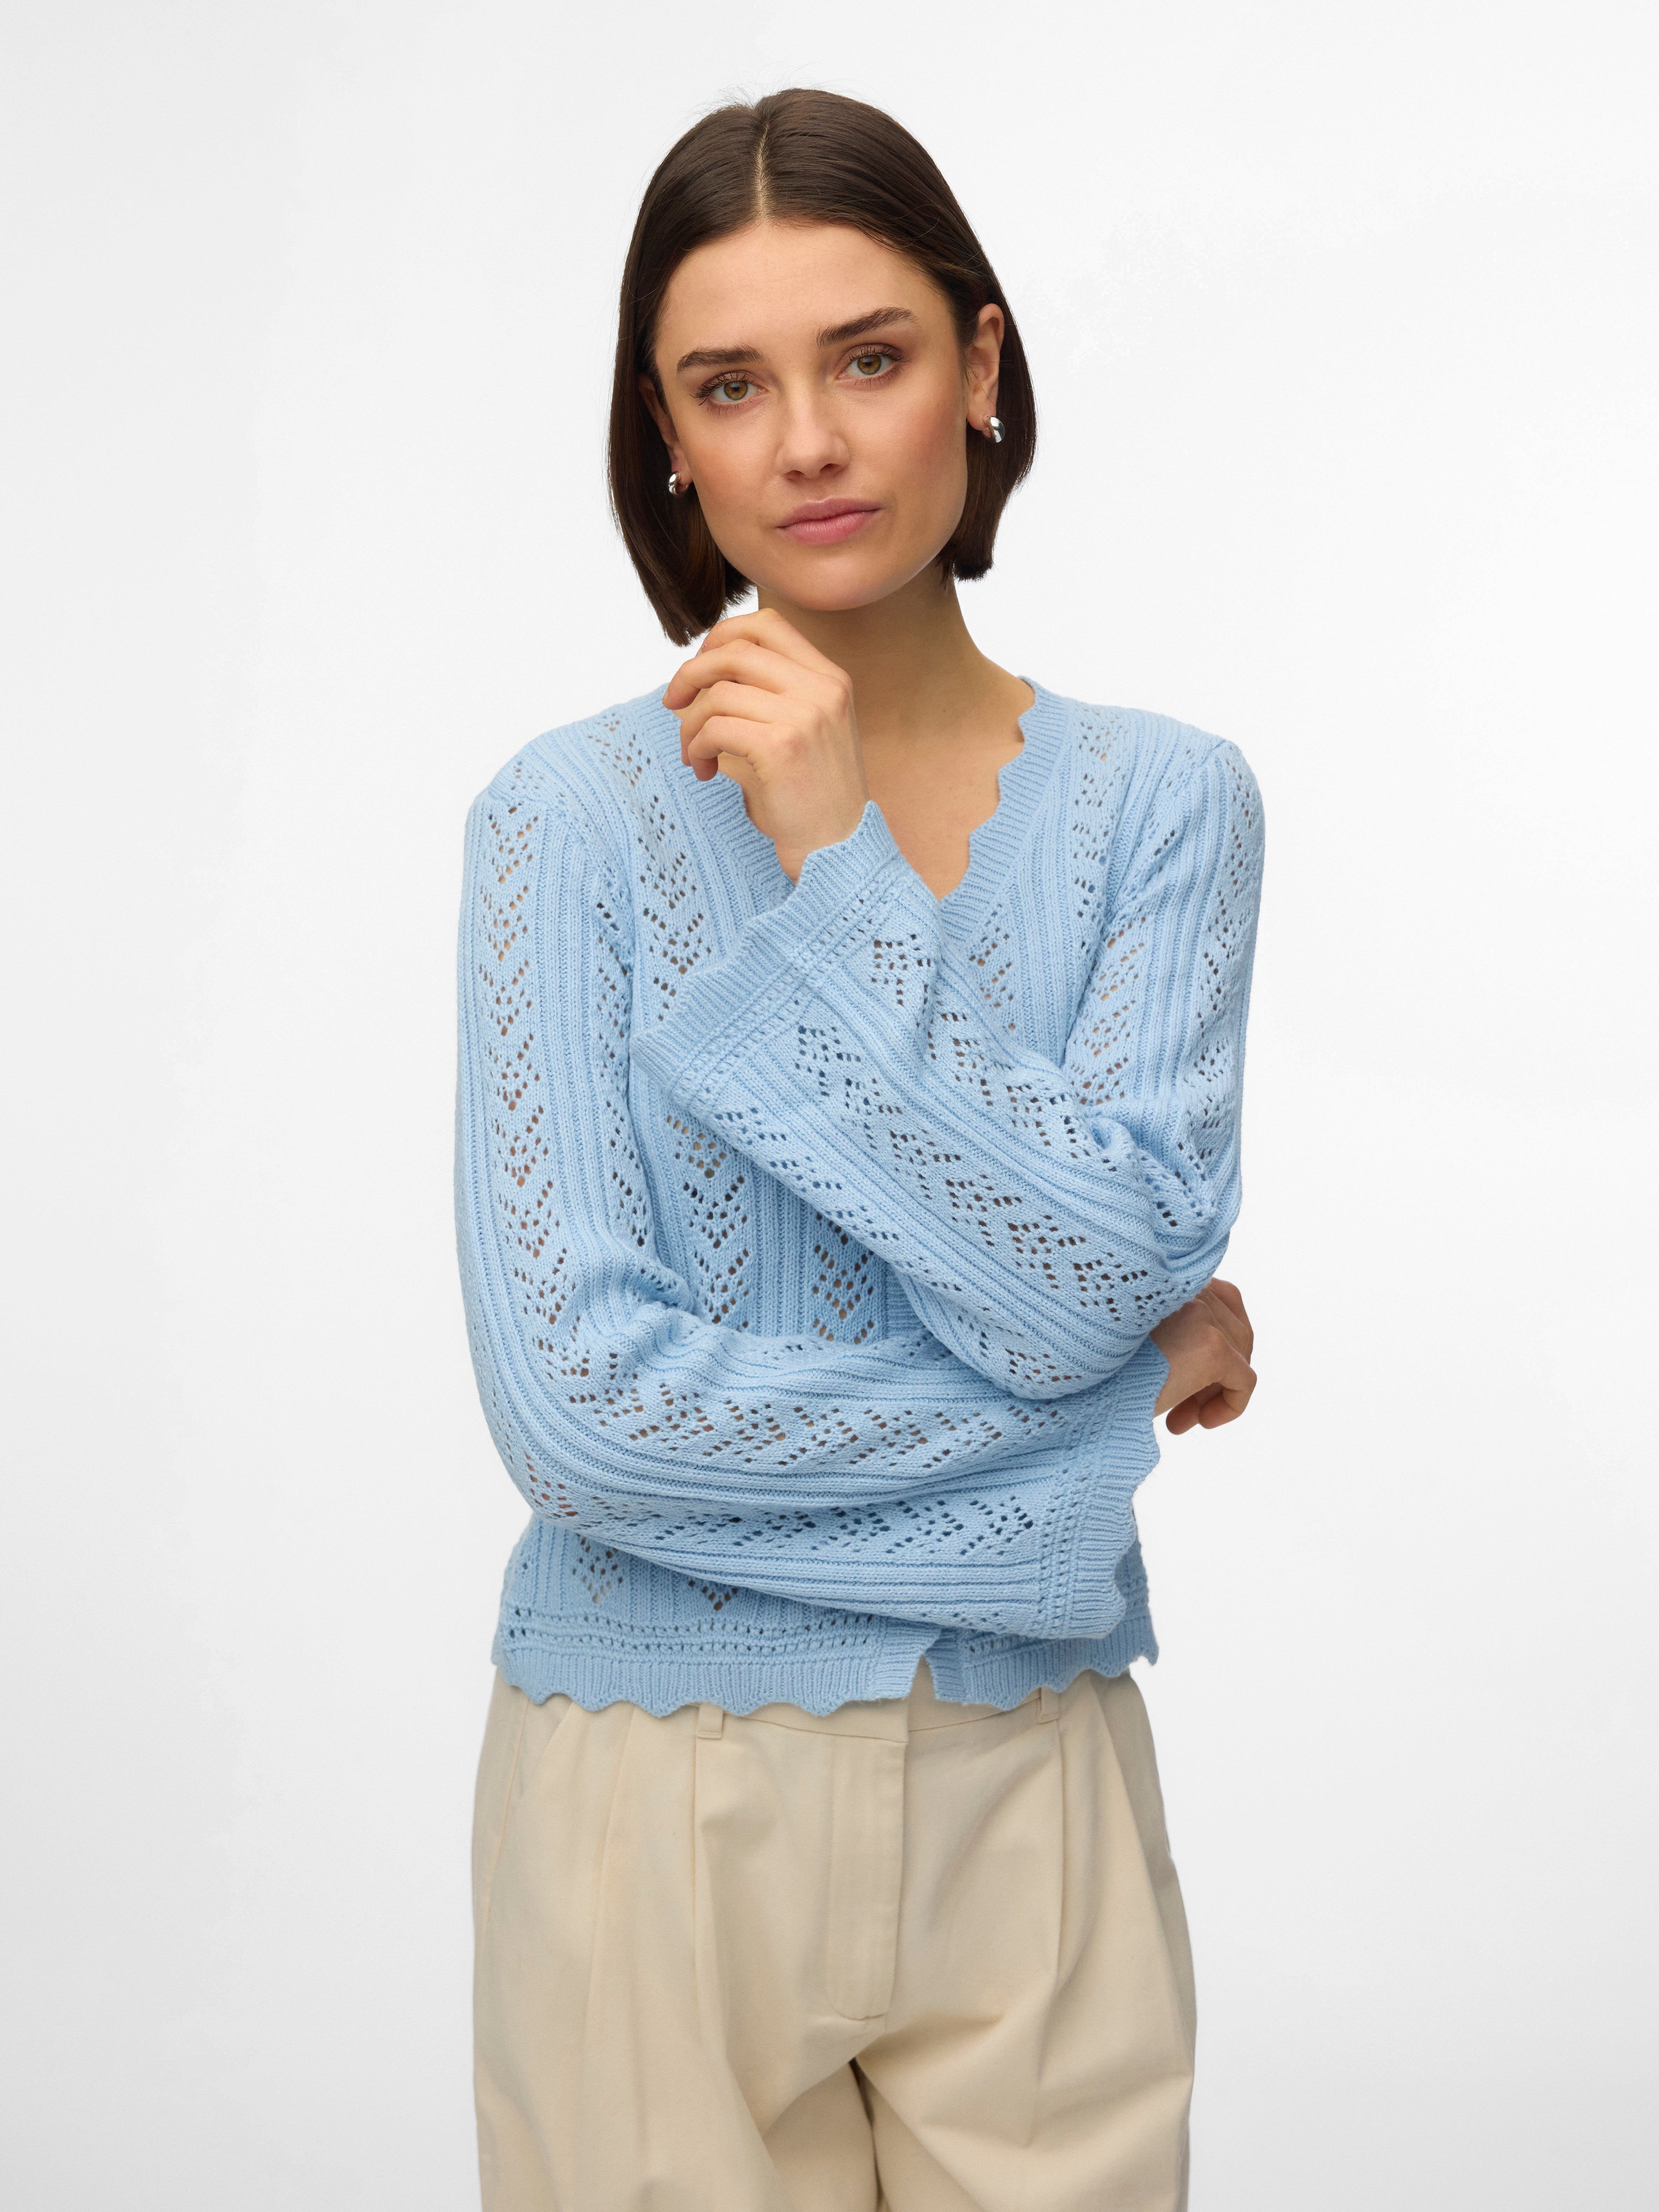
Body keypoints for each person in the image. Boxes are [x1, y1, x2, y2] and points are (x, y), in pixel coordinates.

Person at [456, 87, 1264, 2212]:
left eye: (871, 358)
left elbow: (1083, 1272)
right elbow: (588, 1420)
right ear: (666, 433)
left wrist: (836, 860)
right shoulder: (565, 829)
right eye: (731, 384)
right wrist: (1101, 1408)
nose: (808, 441)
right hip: (651, 1793)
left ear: (981, 366)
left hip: (1035, 1771)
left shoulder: (1167, 810)